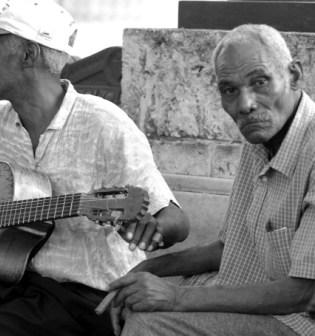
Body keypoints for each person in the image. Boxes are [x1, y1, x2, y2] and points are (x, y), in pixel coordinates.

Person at [0, 1, 189, 336]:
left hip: (81, 297)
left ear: (28, 54)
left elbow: (176, 220)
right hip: (8, 280)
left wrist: (153, 229)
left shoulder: (106, 126)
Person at [108, 24, 315, 336]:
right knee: (139, 301)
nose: (245, 105)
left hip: (300, 320)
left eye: (260, 82)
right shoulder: (259, 139)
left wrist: (175, 298)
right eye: (230, 90)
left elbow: (302, 293)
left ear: (294, 76)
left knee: (150, 325)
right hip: (257, 298)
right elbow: (230, 247)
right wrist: (148, 268)